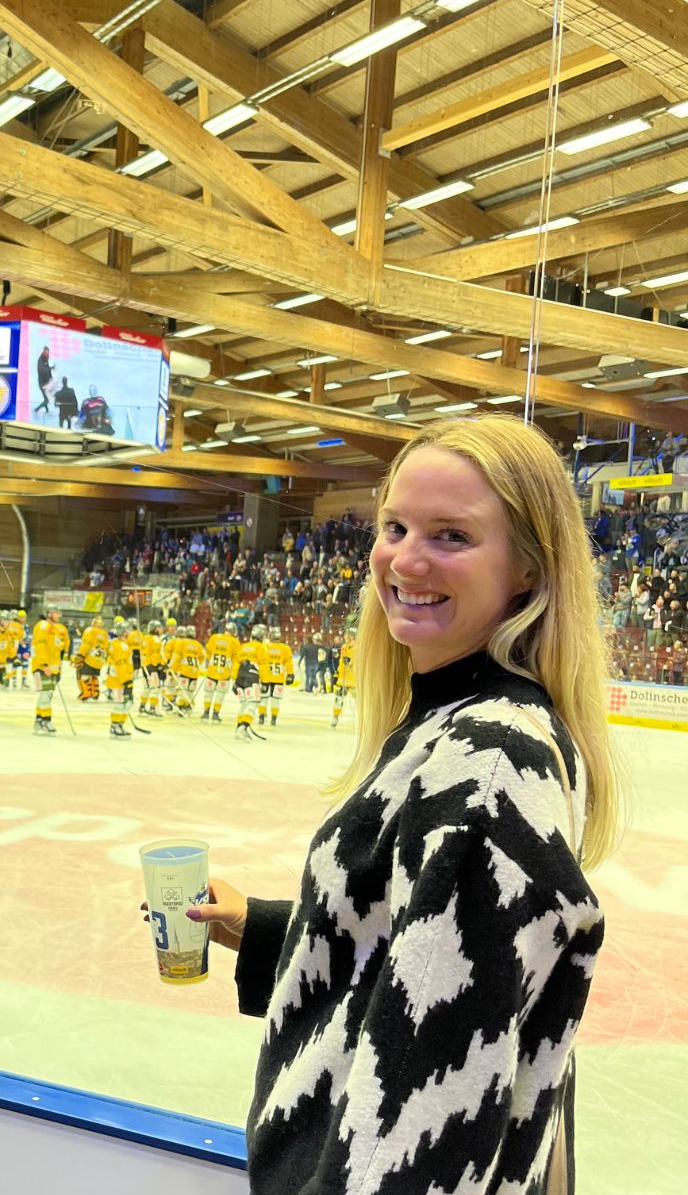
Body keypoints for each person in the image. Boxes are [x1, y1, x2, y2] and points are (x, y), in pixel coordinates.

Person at [179, 417, 619, 1195]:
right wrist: (267, 928)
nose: (405, 559)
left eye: (451, 535)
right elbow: (423, 949)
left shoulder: (488, 765)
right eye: (395, 526)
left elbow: (429, 1100)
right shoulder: (457, 722)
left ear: (526, 568)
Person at [30, 606, 68, 735]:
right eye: (56, 613)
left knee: (47, 694)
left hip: (54, 667)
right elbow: (40, 646)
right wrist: (44, 664)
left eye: (59, 613)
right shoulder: (42, 626)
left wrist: (59, 667)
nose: (59, 615)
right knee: (45, 694)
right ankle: (46, 720)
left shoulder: (61, 628)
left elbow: (62, 648)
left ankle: (39, 720)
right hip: (40, 666)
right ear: (49, 614)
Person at [201, 620, 240, 722]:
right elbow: (236, 660)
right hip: (225, 673)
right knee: (220, 694)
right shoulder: (235, 642)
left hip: (212, 671)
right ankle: (215, 714)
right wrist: (234, 674)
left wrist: (207, 666)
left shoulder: (214, 638)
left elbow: (207, 653)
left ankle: (205, 713)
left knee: (208, 693)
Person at [257, 625, 292, 727]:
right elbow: (288, 663)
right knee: (275, 700)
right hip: (278, 678)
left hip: (266, 678)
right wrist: (290, 674)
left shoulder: (265, 647)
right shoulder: (285, 648)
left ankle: (261, 718)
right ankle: (273, 719)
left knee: (263, 699)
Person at [75, 615, 109, 700]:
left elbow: (86, 644)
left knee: (83, 674)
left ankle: (86, 692)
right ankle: (95, 693)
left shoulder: (90, 631)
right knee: (94, 676)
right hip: (100, 660)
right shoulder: (104, 633)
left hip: (90, 658)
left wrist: (80, 655)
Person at [34, 346, 55, 413]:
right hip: (42, 383)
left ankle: (46, 410)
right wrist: (50, 368)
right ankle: (36, 409)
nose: (47, 354)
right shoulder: (40, 360)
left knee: (46, 398)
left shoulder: (46, 359)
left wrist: (51, 377)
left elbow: (47, 368)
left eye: (48, 353)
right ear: (43, 352)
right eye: (46, 353)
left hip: (46, 382)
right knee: (46, 400)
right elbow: (42, 371)